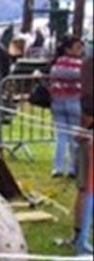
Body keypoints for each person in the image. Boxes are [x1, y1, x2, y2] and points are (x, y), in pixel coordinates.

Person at [49, 35, 84, 178]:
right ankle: (73, 168)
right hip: (75, 101)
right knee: (75, 137)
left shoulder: (56, 64)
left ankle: (58, 167)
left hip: (57, 102)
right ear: (68, 49)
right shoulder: (80, 65)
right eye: (78, 47)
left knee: (61, 136)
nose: (81, 50)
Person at [73, 52, 93, 251]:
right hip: (90, 133)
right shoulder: (89, 64)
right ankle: (80, 235)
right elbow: (88, 101)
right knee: (86, 186)